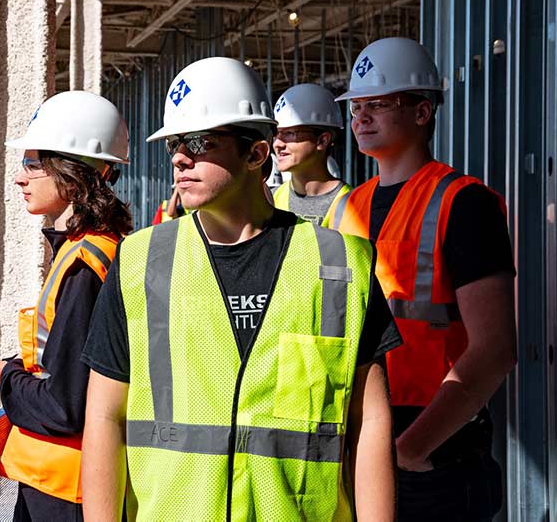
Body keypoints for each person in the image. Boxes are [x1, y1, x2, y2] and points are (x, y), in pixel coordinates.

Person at [80, 57, 401, 521]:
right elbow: (105, 417)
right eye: (173, 143)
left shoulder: (340, 264)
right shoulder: (140, 262)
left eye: (199, 142)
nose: (179, 157)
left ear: (256, 154)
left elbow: (369, 421)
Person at [327, 37, 517, 521]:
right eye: (356, 107)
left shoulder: (464, 203)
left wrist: (411, 449)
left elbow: (495, 349)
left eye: (378, 104)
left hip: (433, 456)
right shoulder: (347, 208)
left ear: (422, 111)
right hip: (360, 439)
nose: (361, 117)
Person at [0, 91, 132, 521]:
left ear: (73, 173)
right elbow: (72, 363)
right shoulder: (101, 249)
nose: (19, 178)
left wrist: (10, 378)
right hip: (73, 483)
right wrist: (10, 367)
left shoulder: (84, 266)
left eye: (32, 164)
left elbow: (65, 406)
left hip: (66, 489)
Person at [271, 83, 350, 226]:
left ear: (322, 140)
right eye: (276, 134)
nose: (277, 143)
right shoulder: (271, 199)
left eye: (289, 133)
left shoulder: (352, 204)